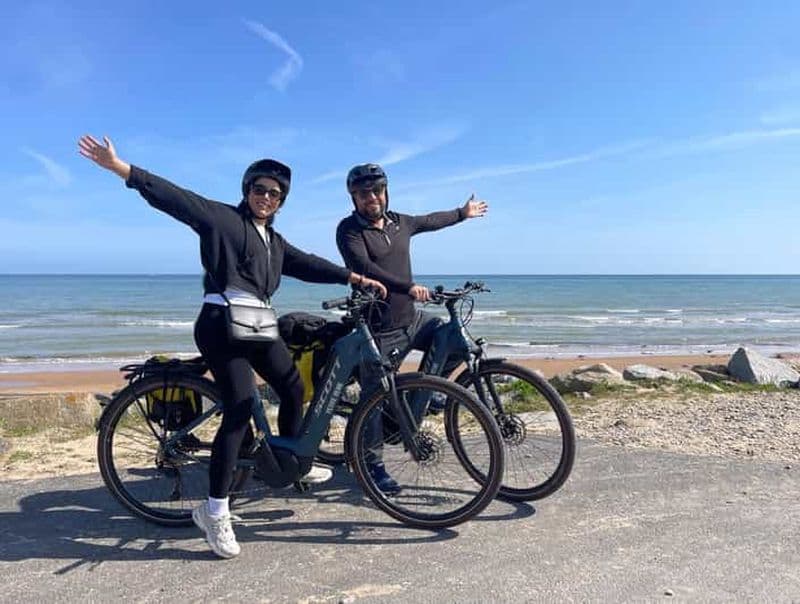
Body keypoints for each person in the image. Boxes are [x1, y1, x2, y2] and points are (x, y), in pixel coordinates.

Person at [79, 135, 387, 559]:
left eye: (275, 194)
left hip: (257, 325)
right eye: (260, 189)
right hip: (220, 325)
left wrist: (353, 278)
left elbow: (307, 263)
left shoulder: (273, 241)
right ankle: (214, 510)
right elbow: (176, 199)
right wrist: (122, 169)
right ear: (247, 190)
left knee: (293, 387)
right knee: (240, 408)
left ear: (281, 201)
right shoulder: (222, 219)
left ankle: (291, 460)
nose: (266, 197)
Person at [335, 163, 488, 494]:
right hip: (378, 329)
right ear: (354, 198)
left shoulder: (399, 222)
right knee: (373, 398)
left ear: (386, 192)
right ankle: (372, 465)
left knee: (451, 337)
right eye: (363, 193)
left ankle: (428, 392)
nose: (371, 198)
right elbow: (365, 267)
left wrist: (462, 213)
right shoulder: (349, 230)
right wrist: (408, 287)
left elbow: (430, 221)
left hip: (411, 319)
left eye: (377, 190)